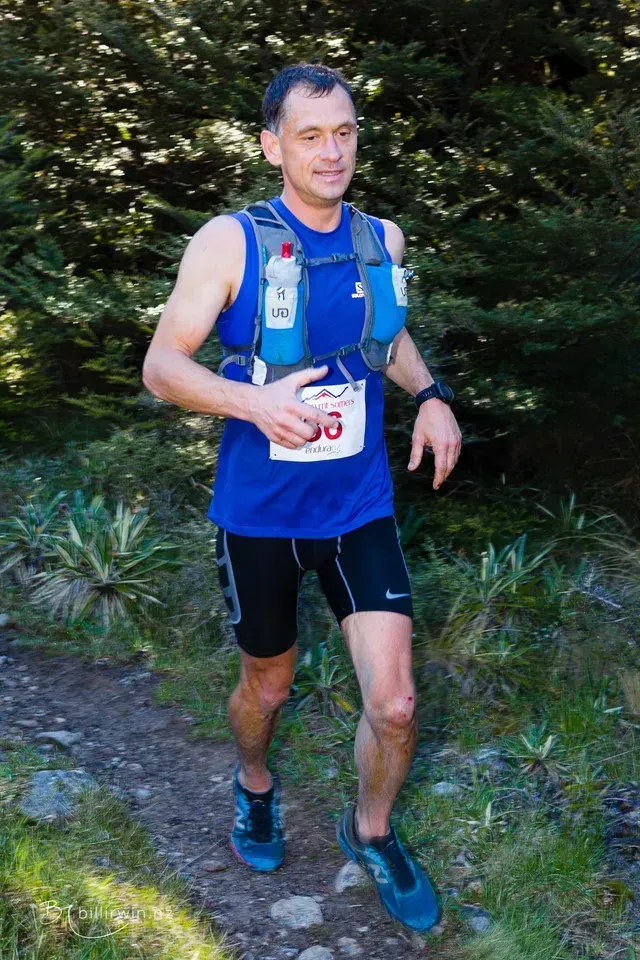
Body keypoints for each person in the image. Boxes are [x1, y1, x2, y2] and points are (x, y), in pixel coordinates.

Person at [142, 63, 462, 932]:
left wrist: (430, 397)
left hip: (358, 506)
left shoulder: (379, 241)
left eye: (345, 131)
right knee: (268, 688)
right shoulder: (229, 242)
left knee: (395, 702)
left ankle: (372, 831)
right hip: (260, 517)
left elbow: (385, 341)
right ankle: (254, 784)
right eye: (311, 134)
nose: (332, 151)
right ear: (272, 143)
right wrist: (254, 401)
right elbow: (162, 366)